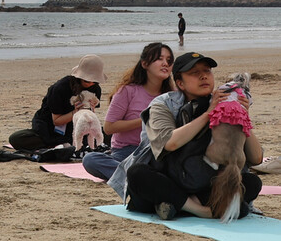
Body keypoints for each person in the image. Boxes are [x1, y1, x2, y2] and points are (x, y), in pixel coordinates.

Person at [110, 52, 262, 220]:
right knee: (137, 173)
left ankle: (178, 205)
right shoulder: (162, 104)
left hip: (202, 180)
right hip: (167, 176)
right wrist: (209, 114)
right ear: (180, 83)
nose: (203, 76)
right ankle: (199, 209)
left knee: (252, 183)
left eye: (207, 71)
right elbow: (170, 143)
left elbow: (256, 158)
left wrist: (242, 117)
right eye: (194, 73)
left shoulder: (224, 103)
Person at [82, 43, 175, 180]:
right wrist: (145, 119)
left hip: (158, 153)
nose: (165, 63)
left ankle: (139, 178)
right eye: (159, 59)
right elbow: (109, 127)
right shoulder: (128, 91)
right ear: (144, 64)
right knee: (90, 159)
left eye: (169, 60)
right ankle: (140, 179)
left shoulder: (173, 95)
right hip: (126, 152)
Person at [8, 54, 106, 151]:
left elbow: (90, 117)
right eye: (87, 81)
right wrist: (76, 112)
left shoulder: (95, 89)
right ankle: (58, 144)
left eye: (95, 81)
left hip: (77, 126)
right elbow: (56, 121)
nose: (91, 84)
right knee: (16, 139)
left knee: (109, 134)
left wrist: (90, 111)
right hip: (50, 127)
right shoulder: (60, 88)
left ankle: (65, 144)